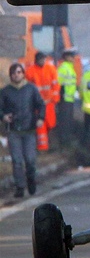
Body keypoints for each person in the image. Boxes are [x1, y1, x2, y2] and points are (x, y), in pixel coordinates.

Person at [0, 63, 45, 197]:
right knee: (17, 161)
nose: (17, 75)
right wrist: (3, 116)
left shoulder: (31, 89)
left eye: (19, 72)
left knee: (30, 160)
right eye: (14, 73)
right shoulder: (5, 91)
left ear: (23, 73)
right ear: (11, 75)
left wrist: (40, 118)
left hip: (29, 130)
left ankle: (31, 180)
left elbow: (40, 104)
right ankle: (20, 187)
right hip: (14, 131)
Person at [25, 51, 59, 151]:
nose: (43, 61)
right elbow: (27, 89)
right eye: (41, 59)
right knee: (40, 125)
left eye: (44, 59)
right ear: (36, 60)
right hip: (37, 104)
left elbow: (56, 85)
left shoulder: (51, 69)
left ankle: (48, 145)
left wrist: (54, 99)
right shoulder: (30, 71)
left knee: (51, 123)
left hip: (49, 102)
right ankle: (42, 147)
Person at [57, 48, 78, 148]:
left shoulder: (70, 67)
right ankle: (64, 142)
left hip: (69, 99)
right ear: (66, 57)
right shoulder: (64, 68)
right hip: (64, 100)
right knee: (64, 122)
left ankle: (66, 141)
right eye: (71, 56)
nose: (73, 58)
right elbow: (59, 84)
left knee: (68, 122)